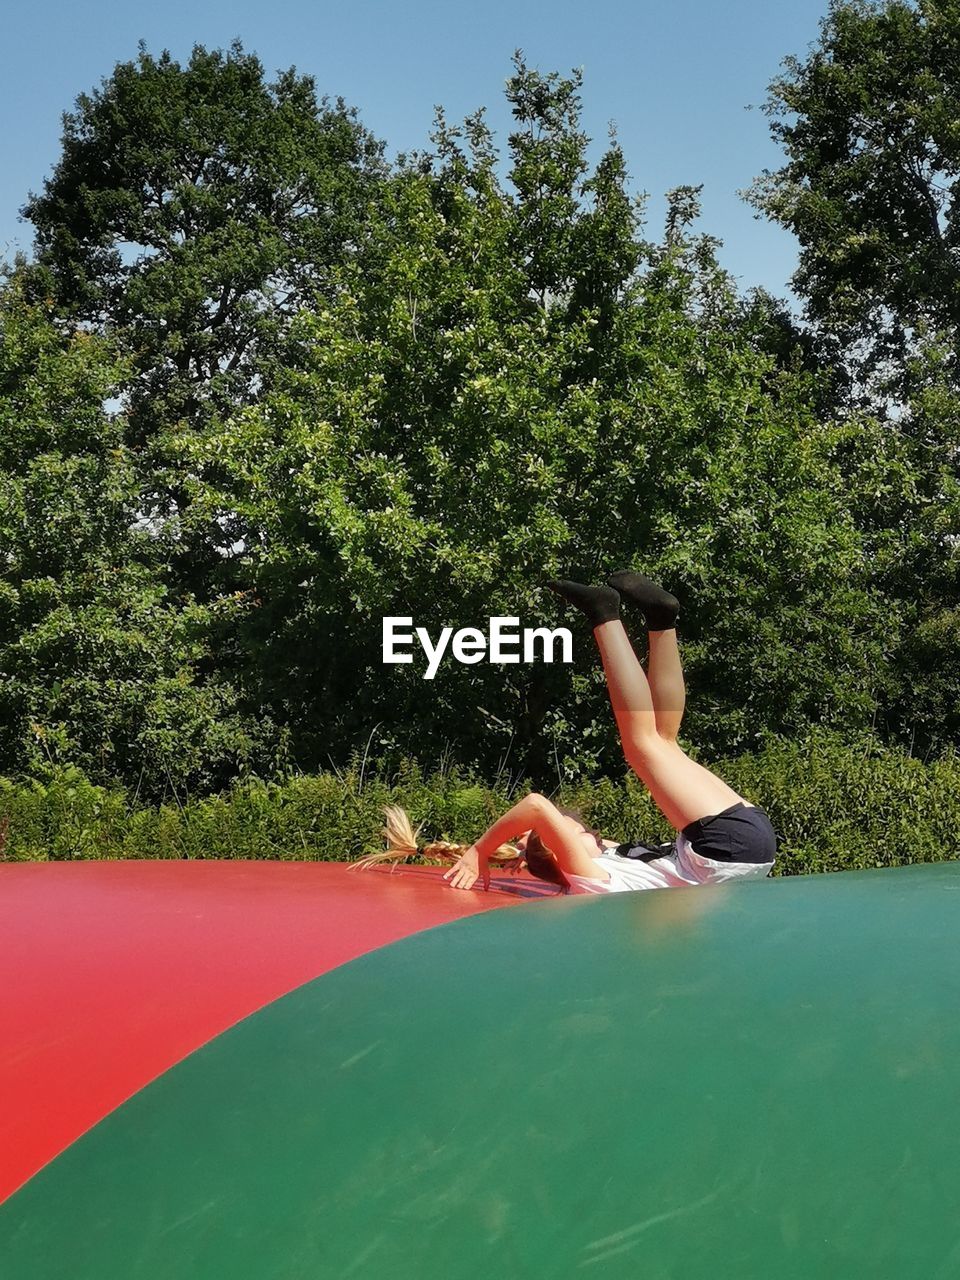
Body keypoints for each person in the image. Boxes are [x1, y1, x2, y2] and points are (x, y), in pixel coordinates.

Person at [441, 571, 777, 894]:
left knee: (664, 739)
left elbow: (552, 826)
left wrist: (518, 854)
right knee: (641, 745)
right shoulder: (587, 879)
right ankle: (603, 613)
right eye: (538, 838)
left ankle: (661, 620)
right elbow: (536, 807)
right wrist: (480, 851)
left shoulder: (607, 861)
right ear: (559, 854)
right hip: (725, 848)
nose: (567, 825)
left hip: (739, 842)